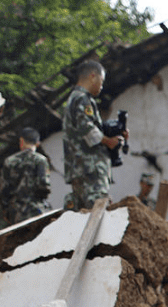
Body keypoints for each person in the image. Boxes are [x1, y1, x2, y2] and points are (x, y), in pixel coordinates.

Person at [62, 60, 126, 211]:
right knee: (97, 212)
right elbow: (88, 129)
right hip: (90, 167)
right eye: (101, 81)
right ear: (93, 76)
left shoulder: (74, 98)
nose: (101, 86)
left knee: (82, 215)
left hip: (80, 168)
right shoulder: (82, 99)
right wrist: (109, 142)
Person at [0, 127, 51, 226]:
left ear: (21, 141)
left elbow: (3, 191)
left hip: (17, 215)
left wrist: (7, 211)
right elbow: (44, 186)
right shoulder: (41, 160)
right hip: (38, 212)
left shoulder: (9, 161)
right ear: (37, 143)